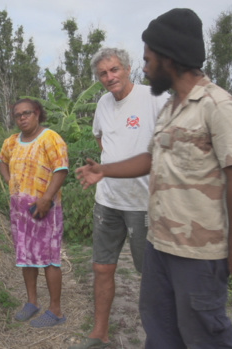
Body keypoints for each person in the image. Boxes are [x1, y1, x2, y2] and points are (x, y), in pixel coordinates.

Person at [76, 8, 232, 348]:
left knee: (203, 333)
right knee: (160, 331)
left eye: (147, 60)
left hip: (198, 251)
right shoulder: (173, 107)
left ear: (169, 59)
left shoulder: (216, 105)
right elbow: (151, 158)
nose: (144, 68)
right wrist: (103, 169)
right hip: (160, 244)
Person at [69, 47, 168, 349]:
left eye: (114, 70)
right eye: (103, 73)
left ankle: (161, 337)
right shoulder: (103, 103)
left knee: (150, 274)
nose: (109, 77)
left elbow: (166, 148)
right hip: (108, 200)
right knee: (102, 267)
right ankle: (99, 333)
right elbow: (101, 138)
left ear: (128, 69)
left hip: (144, 202)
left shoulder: (155, 98)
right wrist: (106, 167)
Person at [0, 98, 69, 328]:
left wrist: (46, 198)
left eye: (26, 113)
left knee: (49, 259)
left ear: (37, 113)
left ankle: (55, 311)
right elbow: (2, 162)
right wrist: (11, 183)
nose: (22, 118)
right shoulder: (11, 142)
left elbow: (61, 169)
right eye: (18, 115)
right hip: (20, 211)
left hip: (44, 209)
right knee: (26, 258)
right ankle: (32, 303)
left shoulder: (50, 138)